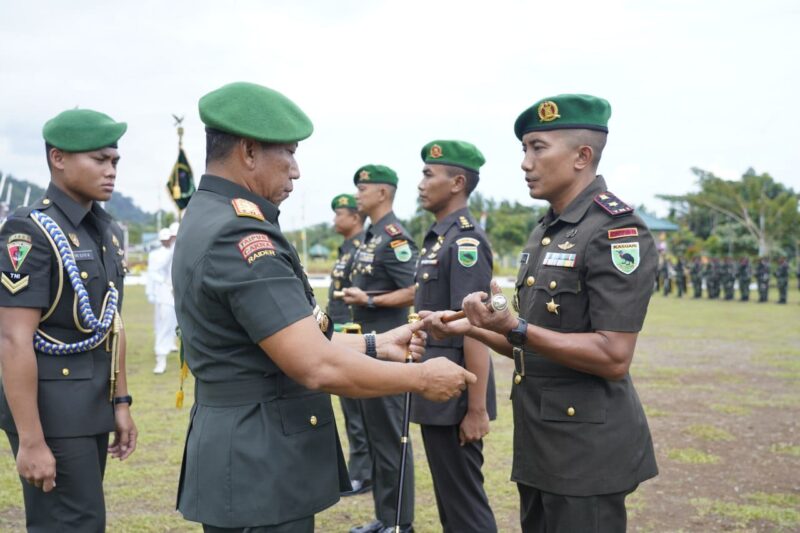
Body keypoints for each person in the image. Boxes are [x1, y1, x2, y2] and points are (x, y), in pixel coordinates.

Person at [171, 82, 474, 533]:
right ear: (249, 151)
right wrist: (421, 378)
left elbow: (286, 336)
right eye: (288, 154)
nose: (295, 171)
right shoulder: (238, 235)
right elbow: (315, 365)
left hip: (248, 453)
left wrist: (375, 343)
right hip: (260, 464)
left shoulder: (210, 214)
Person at [424, 94, 658, 532]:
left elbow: (613, 356)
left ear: (581, 157)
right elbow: (530, 344)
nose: (525, 163)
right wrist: (471, 326)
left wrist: (514, 326)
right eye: (524, 149)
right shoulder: (546, 232)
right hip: (541, 444)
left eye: (538, 148)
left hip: (586, 450)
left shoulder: (615, 229)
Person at [0, 108, 137, 531]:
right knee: (72, 524)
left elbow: (111, 324)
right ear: (58, 158)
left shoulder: (106, 230)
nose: (111, 170)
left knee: (83, 520)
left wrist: (120, 402)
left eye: (114, 160)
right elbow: (11, 339)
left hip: (91, 401)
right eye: (99, 160)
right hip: (51, 408)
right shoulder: (29, 232)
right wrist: (31, 439)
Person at [412, 140, 497, 532]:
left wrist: (476, 409)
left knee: (465, 508)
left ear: (457, 182)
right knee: (450, 502)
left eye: (430, 174)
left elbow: (476, 326)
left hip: (457, 395)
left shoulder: (465, 241)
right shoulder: (439, 238)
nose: (421, 183)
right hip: (436, 388)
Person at [343, 164, 419, 533]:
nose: (358, 193)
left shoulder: (395, 237)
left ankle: (400, 523)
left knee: (392, 437)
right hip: (368, 348)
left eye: (363, 187)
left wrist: (370, 300)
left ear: (383, 193)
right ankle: (384, 517)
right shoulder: (371, 237)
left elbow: (413, 290)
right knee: (375, 436)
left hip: (391, 347)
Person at [327, 193, 372, 496]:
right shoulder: (347, 250)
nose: (334, 219)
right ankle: (360, 469)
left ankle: (362, 473)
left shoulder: (361, 252)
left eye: (339, 213)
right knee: (351, 410)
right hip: (341, 334)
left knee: (358, 411)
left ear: (355, 217)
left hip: (354, 335)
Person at [146, 227, 177, 373]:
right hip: (167, 294)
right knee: (164, 324)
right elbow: (154, 271)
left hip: (183, 294)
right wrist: (165, 283)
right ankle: (161, 359)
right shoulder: (165, 253)